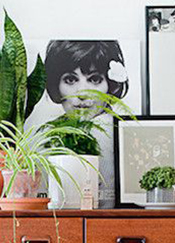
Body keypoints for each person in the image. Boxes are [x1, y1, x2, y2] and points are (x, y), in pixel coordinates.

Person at [45, 40, 129, 207]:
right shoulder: (51, 131)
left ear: (110, 85)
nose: (82, 93)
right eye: (70, 80)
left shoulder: (111, 132)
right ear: (56, 85)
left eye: (94, 79)